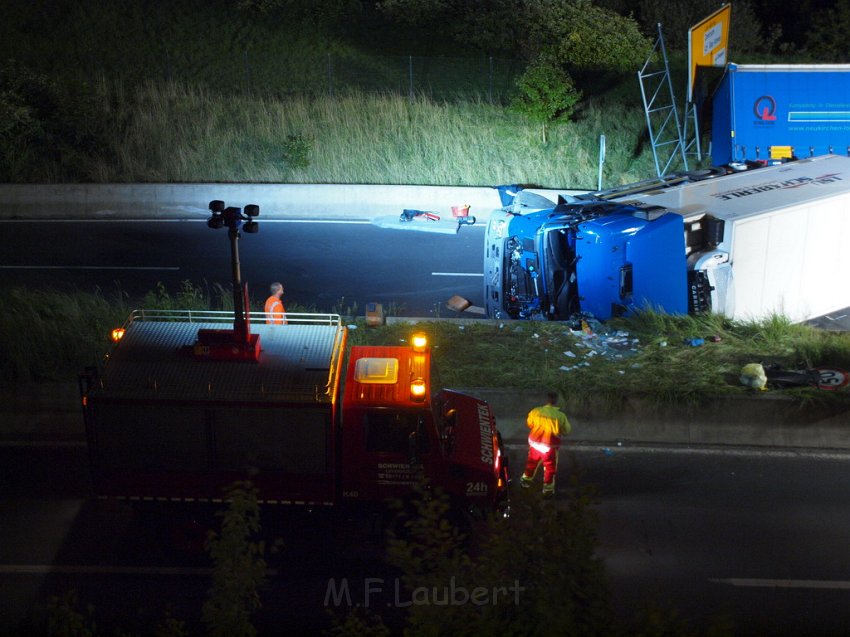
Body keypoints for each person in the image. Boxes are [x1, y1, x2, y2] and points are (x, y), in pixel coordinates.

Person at [520, 391, 571, 496]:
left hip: (534, 443)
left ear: (546, 400)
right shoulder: (560, 416)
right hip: (549, 446)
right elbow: (566, 431)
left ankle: (525, 482)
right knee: (550, 468)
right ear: (556, 401)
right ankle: (547, 491)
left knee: (531, 463)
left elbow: (530, 423)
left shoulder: (535, 411)